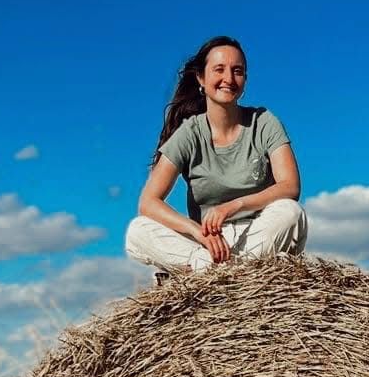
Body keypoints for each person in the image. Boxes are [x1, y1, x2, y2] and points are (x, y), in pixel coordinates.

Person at [124, 35, 308, 275]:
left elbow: (290, 186)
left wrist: (233, 206)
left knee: (290, 213)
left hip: (258, 234)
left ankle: (209, 271)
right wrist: (195, 231)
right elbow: (148, 202)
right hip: (208, 242)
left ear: (245, 79)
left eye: (237, 71)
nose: (228, 79)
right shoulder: (189, 133)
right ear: (201, 78)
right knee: (138, 231)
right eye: (219, 70)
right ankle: (217, 268)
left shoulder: (264, 122)